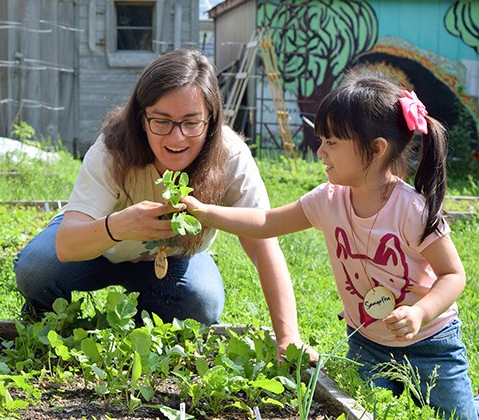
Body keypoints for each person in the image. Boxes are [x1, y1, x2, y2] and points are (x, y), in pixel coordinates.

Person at [181, 69, 478, 419]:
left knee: (461, 416)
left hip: (431, 343)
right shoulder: (328, 200)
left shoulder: (411, 209)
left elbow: (452, 274)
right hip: (367, 342)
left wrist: (419, 312)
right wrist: (204, 212)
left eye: (332, 141)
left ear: (377, 150)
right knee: (361, 411)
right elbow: (265, 222)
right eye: (320, 139)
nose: (319, 150)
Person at [14, 47, 315, 362]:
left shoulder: (230, 156)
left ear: (211, 120)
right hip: (97, 248)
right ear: (141, 118)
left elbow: (263, 245)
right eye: (161, 121)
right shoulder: (113, 148)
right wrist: (119, 226)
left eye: (191, 122)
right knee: (38, 268)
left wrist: (288, 338)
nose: (177, 136)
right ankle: (45, 319)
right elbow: (68, 244)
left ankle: (143, 326)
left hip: (172, 259)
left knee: (202, 303)